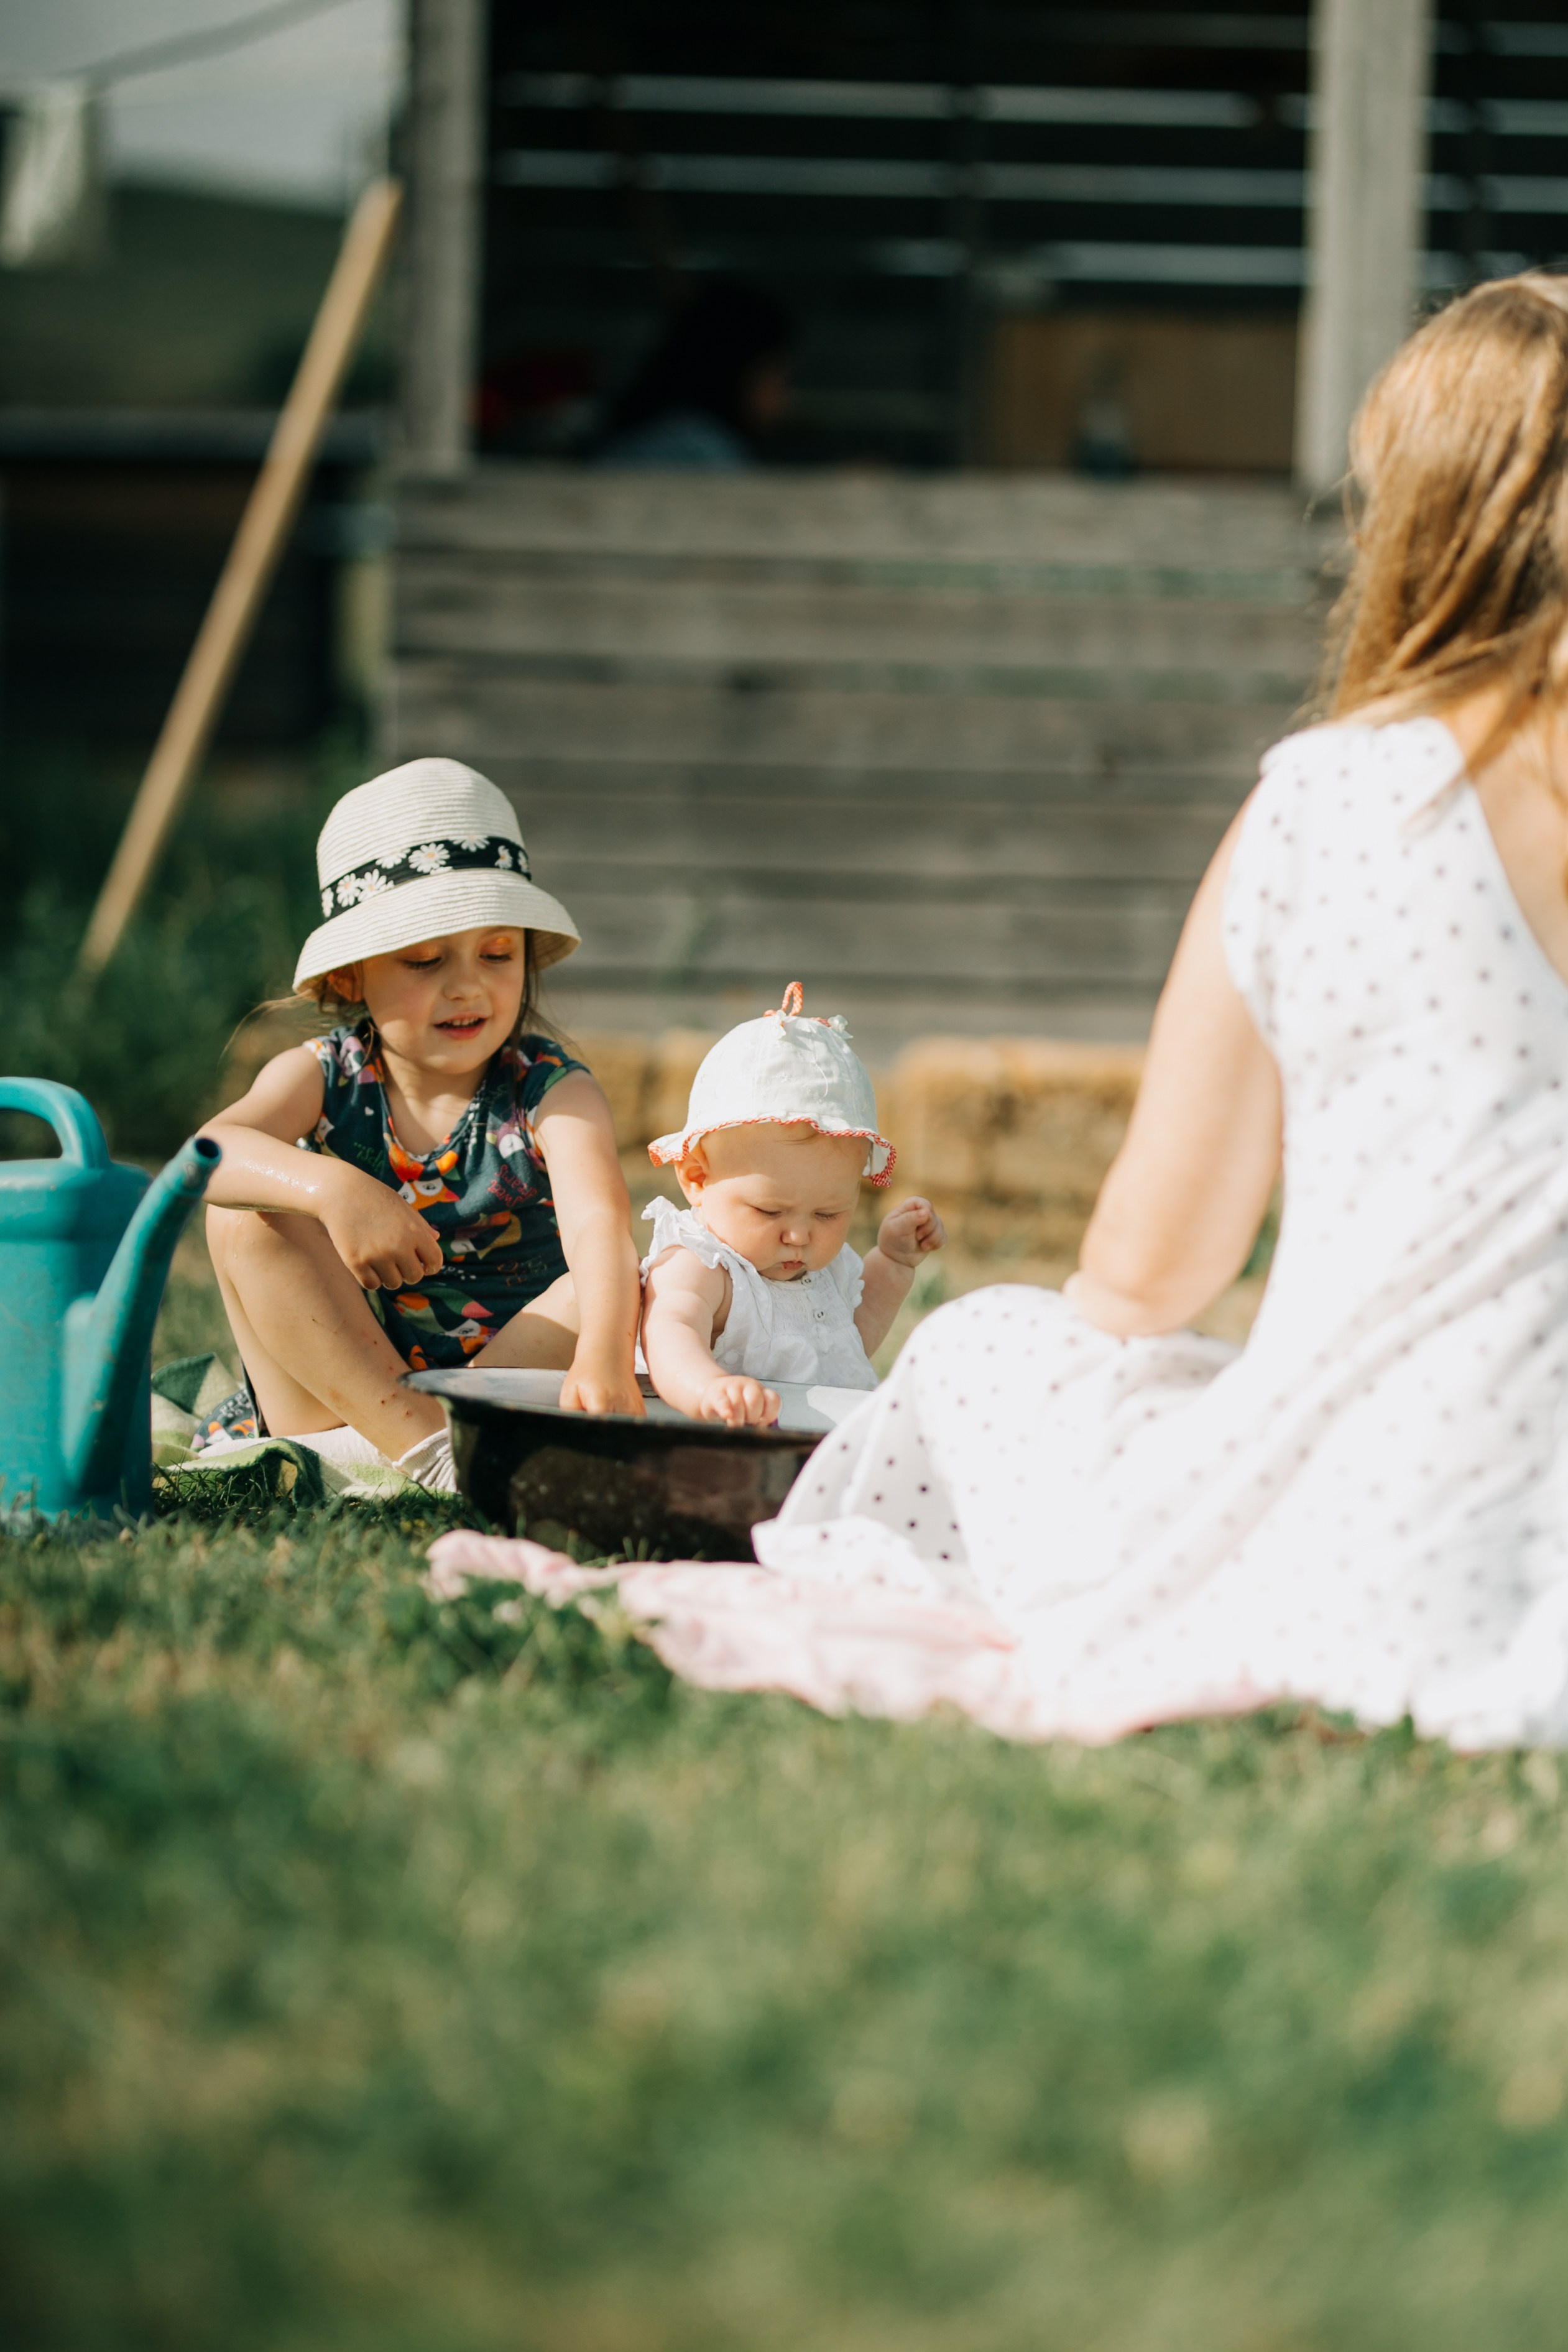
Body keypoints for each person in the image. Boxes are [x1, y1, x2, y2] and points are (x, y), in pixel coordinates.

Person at [439, 272, 1568, 1751]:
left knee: (996, 1349)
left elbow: (1152, 1271)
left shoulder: (1333, 805)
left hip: (1406, 1547)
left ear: (1414, 522)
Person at [200, 759, 643, 1490]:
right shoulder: (325, 1074)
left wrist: (601, 1354)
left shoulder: (551, 1092)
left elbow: (599, 1226)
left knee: (617, 1279)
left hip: (504, 1382)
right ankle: (428, 1454)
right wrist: (331, 1188)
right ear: (350, 977)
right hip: (348, 1389)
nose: (466, 983)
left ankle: (410, 1458)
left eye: (497, 953)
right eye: (424, 958)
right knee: (244, 1219)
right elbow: (206, 1154)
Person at [639, 985, 945, 1424]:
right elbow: (670, 1330)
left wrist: (895, 1262)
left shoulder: (824, 1270)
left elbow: (850, 1343)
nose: (799, 1235)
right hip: (722, 1454)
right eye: (769, 1211)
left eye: (828, 1214)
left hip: (816, 1459)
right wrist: (707, 1387)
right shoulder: (704, 1265)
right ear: (697, 1178)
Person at [592, 279, 792, 469]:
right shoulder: (704, 450)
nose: (783, 397)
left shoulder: (657, 430)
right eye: (780, 377)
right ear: (742, 373)